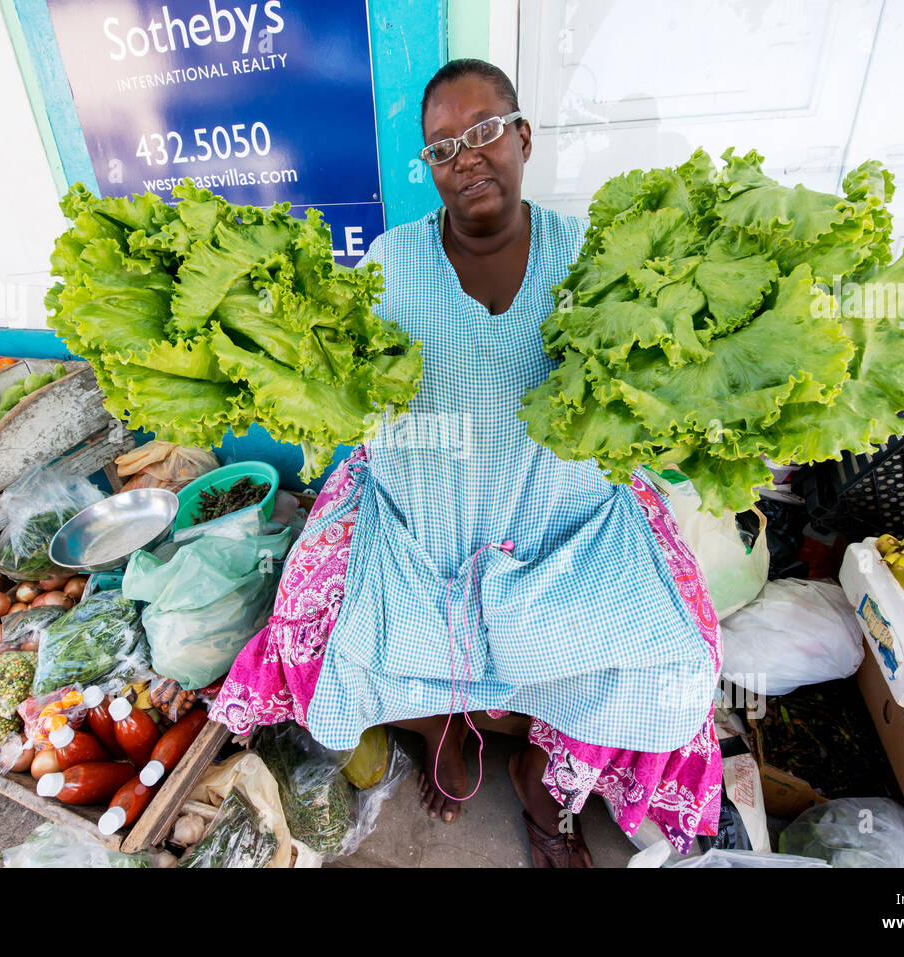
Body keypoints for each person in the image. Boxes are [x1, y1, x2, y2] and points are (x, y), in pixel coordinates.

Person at [212, 58, 723, 867]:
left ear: (522, 136)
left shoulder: (594, 258)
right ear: (429, 166)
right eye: (443, 147)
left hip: (566, 520)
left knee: (675, 663)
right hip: (423, 513)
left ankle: (542, 773)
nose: (467, 158)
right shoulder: (388, 261)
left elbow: (651, 391)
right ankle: (440, 727)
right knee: (315, 629)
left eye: (484, 132)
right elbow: (356, 388)